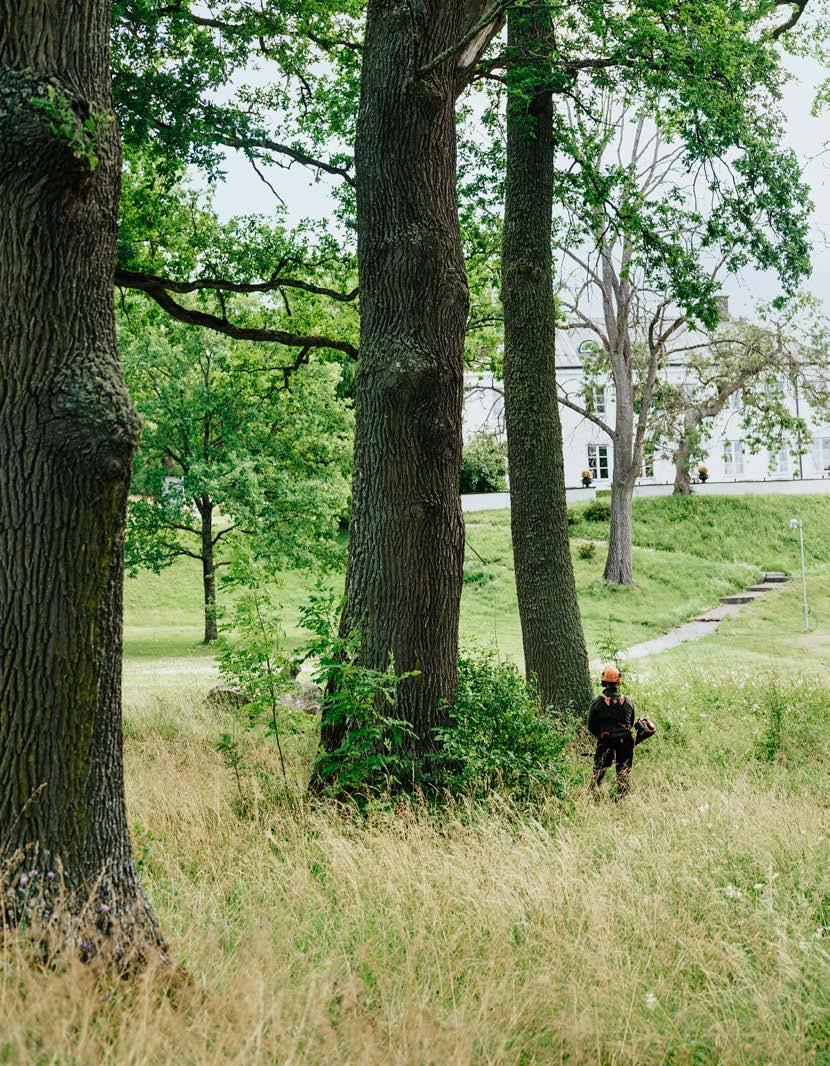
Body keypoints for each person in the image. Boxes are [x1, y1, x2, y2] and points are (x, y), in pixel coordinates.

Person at [587, 664, 652, 797]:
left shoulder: (597, 702)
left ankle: (593, 797)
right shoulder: (628, 702)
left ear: (604, 682)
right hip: (626, 742)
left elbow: (591, 726)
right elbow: (631, 723)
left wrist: (601, 736)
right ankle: (622, 798)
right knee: (624, 775)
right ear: (618, 682)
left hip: (606, 742)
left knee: (598, 774)